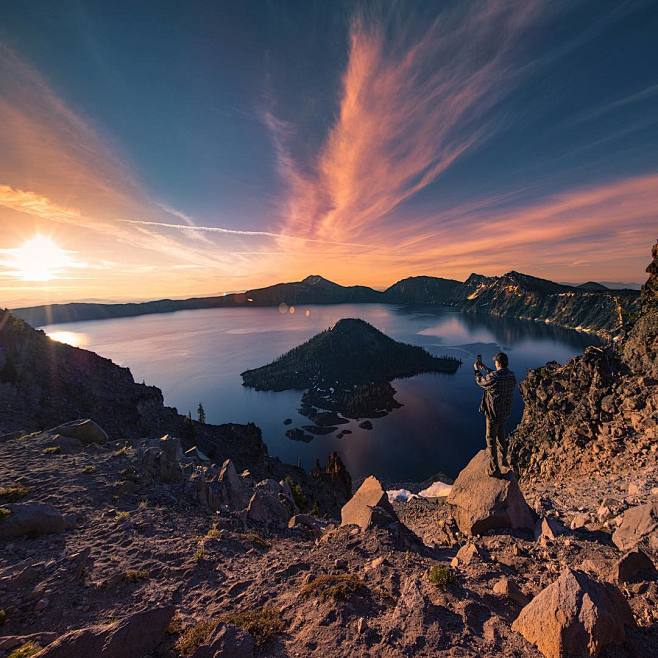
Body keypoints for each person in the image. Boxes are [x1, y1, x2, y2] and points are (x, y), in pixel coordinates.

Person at [473, 351, 516, 477]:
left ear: (498, 363)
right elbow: (498, 375)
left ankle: (494, 469)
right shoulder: (511, 376)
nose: (494, 363)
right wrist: (486, 368)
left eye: (495, 362)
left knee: (491, 439)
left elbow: (481, 381)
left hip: (493, 413)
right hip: (504, 412)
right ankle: (504, 460)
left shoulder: (494, 378)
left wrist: (477, 370)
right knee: (501, 435)